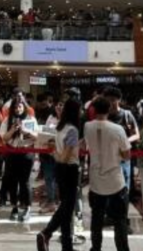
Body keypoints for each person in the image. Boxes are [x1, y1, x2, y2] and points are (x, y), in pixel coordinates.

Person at [84, 96, 131, 251]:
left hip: (96, 180)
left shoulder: (87, 126)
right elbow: (127, 155)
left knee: (96, 219)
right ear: (109, 109)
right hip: (115, 180)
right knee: (120, 221)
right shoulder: (118, 129)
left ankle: (96, 247)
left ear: (94, 110)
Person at [36, 98, 82, 251]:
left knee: (65, 208)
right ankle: (46, 232)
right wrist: (59, 154)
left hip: (60, 170)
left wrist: (56, 153)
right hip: (70, 170)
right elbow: (65, 157)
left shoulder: (60, 128)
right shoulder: (73, 130)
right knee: (66, 208)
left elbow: (58, 154)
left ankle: (66, 245)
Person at [0, 95, 38, 222]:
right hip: (11, 153)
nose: (17, 109)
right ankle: (14, 207)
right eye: (15, 107)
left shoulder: (30, 119)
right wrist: (12, 130)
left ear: (24, 107)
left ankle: (27, 208)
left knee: (25, 181)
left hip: (26, 153)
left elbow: (37, 136)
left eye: (20, 106)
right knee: (12, 181)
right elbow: (4, 138)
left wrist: (25, 131)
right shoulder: (7, 120)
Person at [102, 87, 138, 194]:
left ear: (119, 100)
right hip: (107, 158)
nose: (110, 103)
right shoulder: (103, 116)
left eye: (113, 99)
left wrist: (125, 141)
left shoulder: (127, 115)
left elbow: (136, 135)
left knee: (124, 187)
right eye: (107, 100)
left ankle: (123, 209)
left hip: (124, 158)